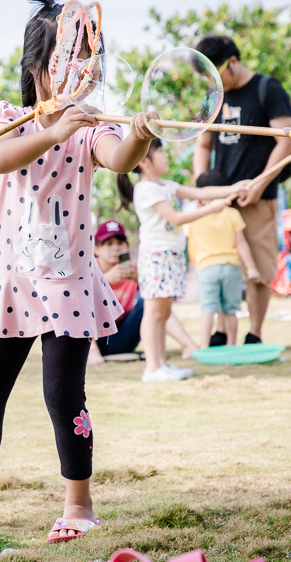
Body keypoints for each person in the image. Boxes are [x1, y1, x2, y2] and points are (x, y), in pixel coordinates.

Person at [0, 0, 165, 544]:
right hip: (14, 282)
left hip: (67, 285)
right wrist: (53, 128)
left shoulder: (94, 127)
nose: (83, 72)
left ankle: (79, 503)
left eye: (91, 61)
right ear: (39, 68)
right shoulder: (10, 119)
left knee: (64, 396)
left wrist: (136, 133)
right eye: (72, 58)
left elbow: (120, 159)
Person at [193, 35, 291, 345]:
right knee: (220, 266)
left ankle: (254, 334)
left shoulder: (268, 88)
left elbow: (286, 141)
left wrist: (260, 183)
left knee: (259, 270)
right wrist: (203, 191)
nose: (211, 81)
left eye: (215, 72)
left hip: (257, 198)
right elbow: (202, 143)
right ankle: (222, 333)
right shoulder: (214, 95)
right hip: (219, 202)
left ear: (233, 62)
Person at [117, 140, 248, 382]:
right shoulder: (146, 189)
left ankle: (162, 364)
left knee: (164, 314)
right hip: (157, 256)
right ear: (144, 161)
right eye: (160, 151)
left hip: (171, 256)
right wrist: (212, 209)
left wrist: (233, 189)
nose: (166, 156)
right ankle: (152, 368)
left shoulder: (165, 185)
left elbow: (200, 192)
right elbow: (175, 218)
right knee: (153, 313)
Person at [89, 220, 198, 363]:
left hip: (122, 335)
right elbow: (76, 301)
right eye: (109, 244)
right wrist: (105, 280)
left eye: (120, 243)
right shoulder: (90, 270)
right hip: (95, 338)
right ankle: (92, 353)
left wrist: (141, 281)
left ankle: (189, 345)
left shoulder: (135, 268)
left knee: (154, 300)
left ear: (127, 246)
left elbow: (162, 297)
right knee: (82, 303)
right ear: (96, 249)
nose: (115, 248)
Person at [187, 170, 260, 348]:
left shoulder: (195, 218)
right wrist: (251, 268)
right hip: (231, 268)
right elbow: (241, 243)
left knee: (207, 309)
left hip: (206, 268)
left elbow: (192, 249)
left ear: (200, 197)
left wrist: (194, 266)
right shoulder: (232, 214)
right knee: (230, 310)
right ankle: (231, 346)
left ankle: (204, 346)